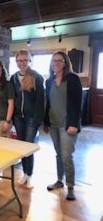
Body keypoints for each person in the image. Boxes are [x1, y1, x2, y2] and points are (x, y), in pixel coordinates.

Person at [44, 51, 82, 200]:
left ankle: (71, 186)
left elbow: (78, 104)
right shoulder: (49, 81)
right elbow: (48, 104)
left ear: (65, 62)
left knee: (67, 156)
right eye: (54, 61)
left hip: (68, 124)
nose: (56, 63)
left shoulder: (72, 79)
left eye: (59, 60)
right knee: (58, 154)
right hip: (54, 123)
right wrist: (46, 122)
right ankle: (59, 181)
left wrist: (74, 124)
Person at [11, 49, 44, 188]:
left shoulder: (36, 77)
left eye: (24, 60)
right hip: (18, 117)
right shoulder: (13, 77)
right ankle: (25, 173)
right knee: (22, 146)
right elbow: (13, 98)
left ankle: (29, 175)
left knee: (29, 146)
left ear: (29, 60)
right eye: (19, 60)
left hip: (31, 118)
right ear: (16, 61)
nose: (22, 63)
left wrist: (37, 120)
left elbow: (40, 101)